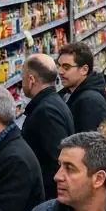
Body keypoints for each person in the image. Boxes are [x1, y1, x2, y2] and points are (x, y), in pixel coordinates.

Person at [21, 53, 75, 199]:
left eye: (23, 78)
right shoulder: (54, 102)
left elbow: (56, 161)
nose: (22, 83)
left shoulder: (46, 111)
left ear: (31, 80)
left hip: (48, 197)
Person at [58, 42, 106, 134]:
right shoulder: (70, 93)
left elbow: (90, 143)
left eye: (66, 67)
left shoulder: (90, 102)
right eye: (59, 66)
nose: (60, 71)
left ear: (84, 70)